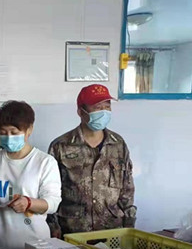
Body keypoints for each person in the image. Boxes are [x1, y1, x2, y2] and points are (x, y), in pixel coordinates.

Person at [0, 100, 62, 249]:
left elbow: (53, 203)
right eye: (3, 133)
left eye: (14, 132)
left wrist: (29, 203)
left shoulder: (44, 162)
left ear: (29, 130)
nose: (8, 137)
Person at [48, 84, 136, 236]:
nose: (103, 112)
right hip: (73, 230)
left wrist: (129, 224)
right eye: (97, 108)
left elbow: (127, 189)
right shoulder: (61, 146)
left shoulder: (118, 144)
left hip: (112, 230)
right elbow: (50, 191)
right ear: (80, 112)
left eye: (107, 106)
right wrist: (53, 227)